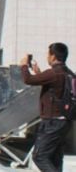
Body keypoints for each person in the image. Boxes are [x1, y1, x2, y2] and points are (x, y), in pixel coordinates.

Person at [20, 43, 72, 172]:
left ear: (53, 56)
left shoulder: (53, 73)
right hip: (65, 121)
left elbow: (28, 80)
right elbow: (55, 87)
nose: (47, 57)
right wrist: (39, 73)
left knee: (39, 156)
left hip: (52, 122)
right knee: (55, 157)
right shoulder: (69, 73)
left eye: (48, 55)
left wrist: (24, 66)